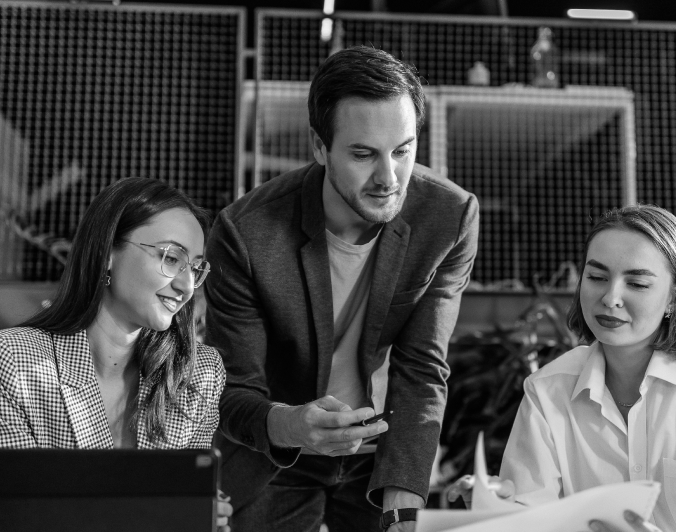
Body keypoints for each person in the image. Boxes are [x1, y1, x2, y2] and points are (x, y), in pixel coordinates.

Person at [205, 45, 479, 532]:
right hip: (279, 450)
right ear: (318, 145)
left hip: (384, 452)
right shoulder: (246, 233)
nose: (388, 178)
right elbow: (233, 389)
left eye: (403, 150)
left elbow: (422, 367)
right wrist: (293, 425)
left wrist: (402, 504)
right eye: (362, 154)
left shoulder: (449, 217)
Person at [448, 205, 676, 532]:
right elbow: (533, 514)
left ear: (675, 298)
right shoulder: (548, 388)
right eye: (596, 277)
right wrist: (501, 511)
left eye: (636, 284)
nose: (610, 297)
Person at [0, 177, 232, 529]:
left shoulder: (198, 373)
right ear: (108, 252)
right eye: (171, 258)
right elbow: (15, 517)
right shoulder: (10, 360)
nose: (186, 286)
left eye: (196, 268)